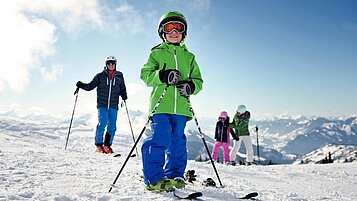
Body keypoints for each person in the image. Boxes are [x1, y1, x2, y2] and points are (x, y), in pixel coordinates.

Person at [140, 11, 203, 192]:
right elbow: (145, 75)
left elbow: (199, 81)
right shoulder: (157, 53)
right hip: (161, 106)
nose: (174, 31)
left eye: (179, 28)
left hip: (182, 108)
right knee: (160, 138)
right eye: (169, 28)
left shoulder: (189, 57)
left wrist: (190, 86)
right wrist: (162, 75)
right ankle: (153, 178)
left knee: (177, 143)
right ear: (162, 32)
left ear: (184, 32)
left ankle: (174, 174)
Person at [76, 55, 127, 154]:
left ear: (115, 64)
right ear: (106, 65)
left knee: (112, 126)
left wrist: (124, 95)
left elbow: (122, 88)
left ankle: (107, 145)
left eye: (113, 63)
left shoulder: (119, 76)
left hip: (113, 105)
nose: (111, 65)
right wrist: (81, 85)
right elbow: (90, 86)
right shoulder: (100, 76)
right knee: (102, 124)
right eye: (109, 63)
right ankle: (99, 145)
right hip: (102, 105)